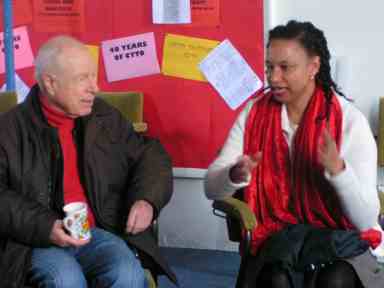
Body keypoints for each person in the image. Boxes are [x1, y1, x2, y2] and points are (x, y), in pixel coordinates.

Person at [205, 20, 384, 288]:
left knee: (335, 280)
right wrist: (235, 174)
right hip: (276, 239)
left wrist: (339, 172)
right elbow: (211, 188)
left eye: (285, 67)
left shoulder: (348, 122)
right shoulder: (253, 114)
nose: (273, 77)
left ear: (313, 67)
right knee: (275, 278)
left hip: (339, 241)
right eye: (269, 67)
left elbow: (366, 219)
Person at [0, 36, 176, 287]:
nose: (95, 87)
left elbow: (150, 154)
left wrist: (147, 200)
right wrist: (45, 226)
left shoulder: (103, 116)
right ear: (50, 83)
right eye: (83, 78)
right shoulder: (8, 130)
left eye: (94, 76)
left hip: (97, 231)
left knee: (127, 274)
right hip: (34, 240)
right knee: (65, 280)